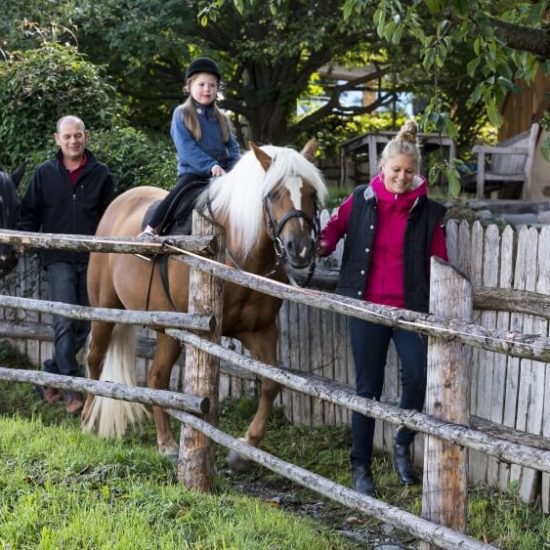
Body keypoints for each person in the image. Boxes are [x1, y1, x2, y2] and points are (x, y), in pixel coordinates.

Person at [318, 120, 448, 497]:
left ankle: (403, 443)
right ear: (382, 169)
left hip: (409, 310)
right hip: (367, 308)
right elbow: (333, 228)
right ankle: (360, 465)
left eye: (409, 172)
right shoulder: (361, 199)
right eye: (396, 170)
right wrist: (320, 246)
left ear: (417, 173)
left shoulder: (429, 212)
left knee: (418, 377)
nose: (402, 177)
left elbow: (440, 260)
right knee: (368, 387)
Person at [18, 115, 114, 416]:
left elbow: (110, 218)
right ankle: (73, 392)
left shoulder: (101, 174)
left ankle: (49, 373)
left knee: (84, 325)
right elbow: (29, 214)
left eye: (78, 135)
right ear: (57, 140)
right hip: (57, 257)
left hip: (93, 260)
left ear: (86, 136)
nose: (73, 141)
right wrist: (25, 239)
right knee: (63, 322)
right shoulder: (45, 173)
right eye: (68, 136)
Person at [139, 56, 240, 238]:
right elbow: (187, 149)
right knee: (178, 193)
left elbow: (232, 147)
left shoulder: (222, 118)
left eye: (212, 85)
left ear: (217, 89)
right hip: (194, 172)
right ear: (189, 86)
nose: (207, 90)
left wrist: (235, 168)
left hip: (222, 175)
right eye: (201, 85)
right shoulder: (182, 114)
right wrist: (211, 166)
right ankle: (152, 228)